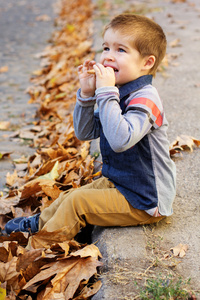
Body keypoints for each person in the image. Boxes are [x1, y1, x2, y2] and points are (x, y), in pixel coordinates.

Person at [4, 14, 176, 239]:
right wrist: (86, 95)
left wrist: (105, 92)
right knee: (71, 196)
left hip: (145, 199)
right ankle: (42, 223)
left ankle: (39, 249)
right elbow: (85, 133)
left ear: (147, 62)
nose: (108, 57)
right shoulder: (116, 90)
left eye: (120, 50)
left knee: (78, 203)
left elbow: (120, 140)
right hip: (121, 183)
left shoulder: (146, 98)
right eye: (106, 48)